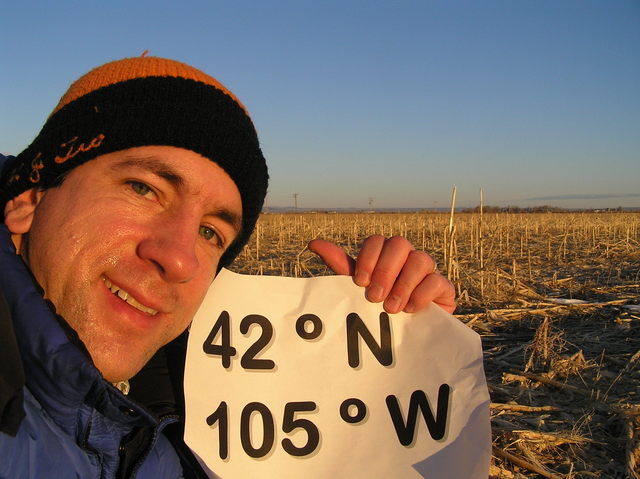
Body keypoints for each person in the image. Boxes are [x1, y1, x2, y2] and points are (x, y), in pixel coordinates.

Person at [0, 56, 455, 478]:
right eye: (143, 188)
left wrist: (357, 369)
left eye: (211, 233)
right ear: (28, 197)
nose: (179, 259)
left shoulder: (163, 422)